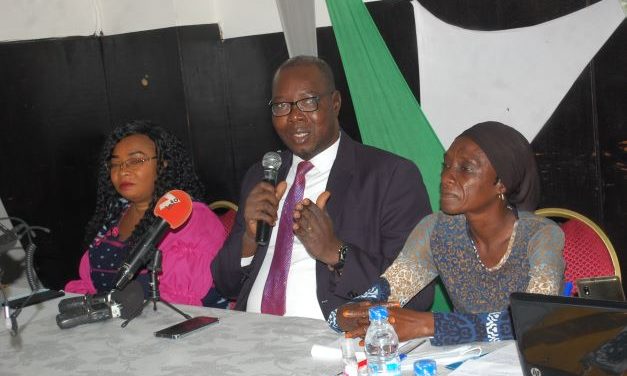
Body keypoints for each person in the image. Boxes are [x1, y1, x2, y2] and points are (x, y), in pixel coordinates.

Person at [211, 55, 434, 320]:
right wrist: (248, 238)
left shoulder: (390, 176)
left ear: (335, 103)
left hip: (335, 342)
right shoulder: (261, 175)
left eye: (308, 102)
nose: (294, 116)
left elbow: (418, 294)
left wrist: (336, 252)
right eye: (281, 105)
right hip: (254, 336)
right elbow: (226, 285)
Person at [333, 121, 565, 345]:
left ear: (501, 184)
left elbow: (535, 321)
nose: (446, 178)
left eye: (465, 169)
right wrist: (346, 315)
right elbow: (387, 291)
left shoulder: (541, 235)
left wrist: (430, 325)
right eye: (446, 165)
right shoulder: (437, 230)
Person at [65, 120, 227, 306]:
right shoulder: (113, 216)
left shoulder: (190, 217)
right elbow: (91, 286)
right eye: (115, 164)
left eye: (135, 160)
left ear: (164, 164)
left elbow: (178, 302)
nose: (123, 170)